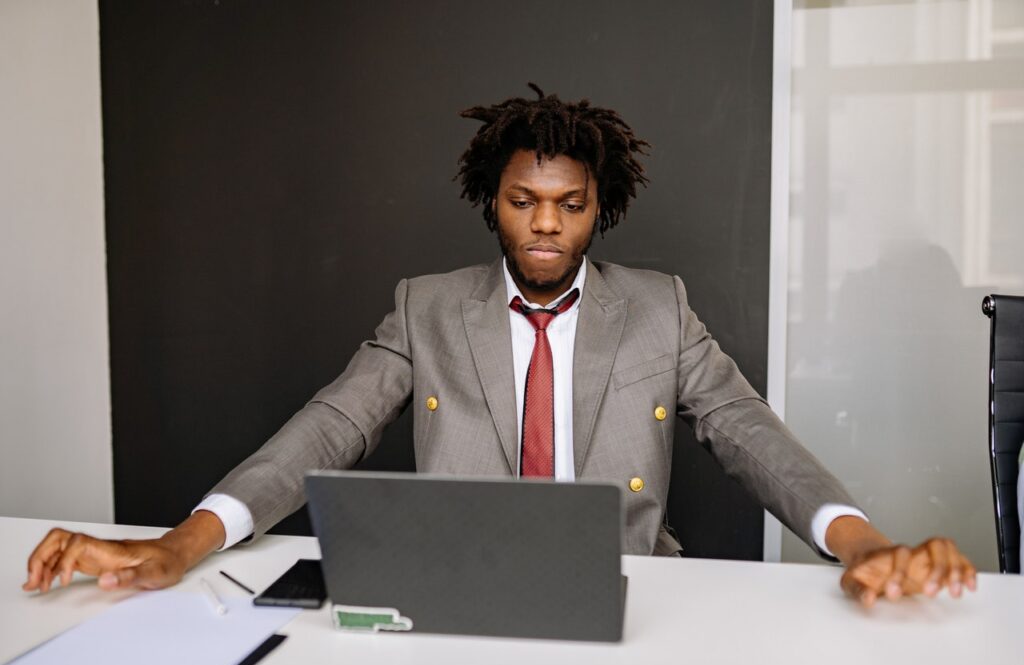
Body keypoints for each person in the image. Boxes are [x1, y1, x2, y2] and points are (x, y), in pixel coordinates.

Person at [24, 85, 976, 607]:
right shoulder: (426, 308)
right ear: (493, 201)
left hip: (630, 588)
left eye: (571, 204)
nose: (547, 225)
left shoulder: (659, 309)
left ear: (602, 206)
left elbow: (748, 431)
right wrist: (181, 544)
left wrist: (863, 543)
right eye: (525, 202)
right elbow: (327, 429)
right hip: (456, 589)